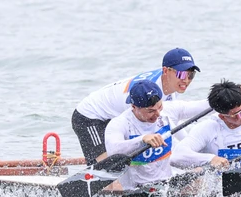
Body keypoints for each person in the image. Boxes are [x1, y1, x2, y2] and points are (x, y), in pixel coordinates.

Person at [69, 48, 200, 165]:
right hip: (89, 116)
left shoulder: (171, 84)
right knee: (107, 166)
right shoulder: (145, 93)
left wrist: (190, 147)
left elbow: (170, 123)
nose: (186, 80)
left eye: (191, 75)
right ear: (166, 71)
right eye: (182, 74)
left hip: (114, 115)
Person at [100, 78, 206, 191]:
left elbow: (203, 106)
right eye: (150, 111)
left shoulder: (168, 111)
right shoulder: (120, 124)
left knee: (201, 172)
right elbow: (113, 150)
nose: (158, 114)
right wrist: (142, 140)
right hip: (137, 190)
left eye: (160, 107)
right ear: (134, 107)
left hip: (168, 183)